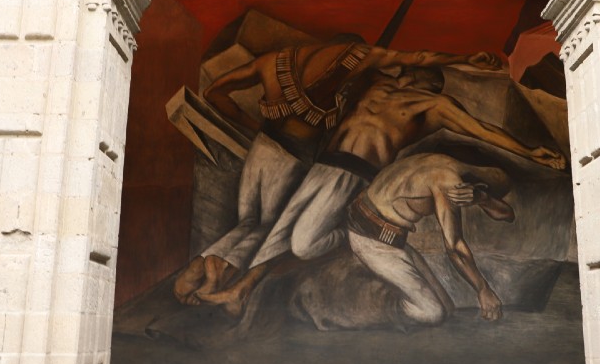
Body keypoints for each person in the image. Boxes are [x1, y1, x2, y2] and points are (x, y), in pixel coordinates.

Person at [195, 66, 565, 313]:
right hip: (325, 164)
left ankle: (351, 234)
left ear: (427, 81)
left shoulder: (433, 104)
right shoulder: (375, 83)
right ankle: (240, 291)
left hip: (354, 174)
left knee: (302, 243)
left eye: (414, 70)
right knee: (280, 232)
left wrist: (529, 151)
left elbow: (482, 131)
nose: (405, 71)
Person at [173, 38, 503, 304]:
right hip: (300, 159)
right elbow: (419, 55)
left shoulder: (275, 61)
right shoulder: (362, 66)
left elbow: (215, 91)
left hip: (267, 145)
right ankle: (224, 274)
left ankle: (213, 265)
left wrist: (252, 125)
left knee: (257, 224)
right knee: (268, 228)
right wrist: (463, 59)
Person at [346, 153, 515, 325]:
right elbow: (454, 246)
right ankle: (354, 307)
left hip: (390, 238)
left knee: (447, 308)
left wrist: (482, 197)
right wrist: (483, 289)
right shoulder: (449, 181)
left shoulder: (443, 161)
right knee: (432, 312)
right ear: (479, 184)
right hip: (370, 239)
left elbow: (508, 214)